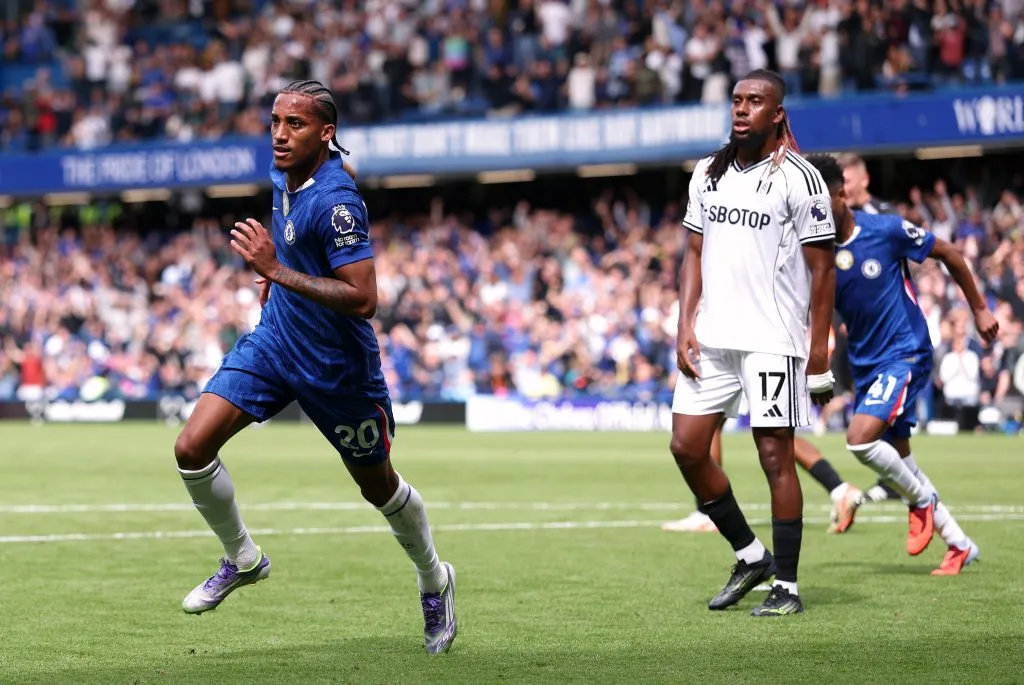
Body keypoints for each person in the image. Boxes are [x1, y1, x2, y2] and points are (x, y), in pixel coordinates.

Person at [172, 80, 457, 653]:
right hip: (276, 342)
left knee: (378, 487)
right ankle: (243, 558)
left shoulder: (337, 202)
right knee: (191, 447)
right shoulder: (285, 173)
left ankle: (434, 577)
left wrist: (277, 271)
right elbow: (297, 240)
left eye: (295, 124)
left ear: (326, 133)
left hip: (336, 367)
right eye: (275, 122)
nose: (279, 135)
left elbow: (364, 298)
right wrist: (277, 275)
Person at [671, 69, 837, 616]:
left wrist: (818, 349)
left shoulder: (800, 178)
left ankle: (787, 585)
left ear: (777, 113)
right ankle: (749, 554)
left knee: (774, 457)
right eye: (737, 100)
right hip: (713, 336)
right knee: (686, 447)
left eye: (755, 101)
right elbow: (693, 252)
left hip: (771, 337)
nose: (742, 109)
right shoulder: (707, 172)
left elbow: (823, 270)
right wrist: (685, 323)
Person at [805, 153, 997, 575]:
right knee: (901, 461)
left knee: (860, 440)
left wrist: (980, 308)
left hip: (905, 352)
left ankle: (920, 501)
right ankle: (960, 544)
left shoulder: (886, 230)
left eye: (819, 201)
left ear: (842, 194)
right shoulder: (817, 253)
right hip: (866, 365)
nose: (813, 212)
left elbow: (948, 252)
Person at [836, 152, 902, 504]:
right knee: (867, 400)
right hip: (855, 326)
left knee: (884, 409)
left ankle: (903, 485)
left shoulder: (884, 215)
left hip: (888, 327)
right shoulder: (838, 220)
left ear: (864, 180)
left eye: (847, 180)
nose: (843, 187)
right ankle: (895, 480)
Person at [661, 423, 862, 534]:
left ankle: (706, 513)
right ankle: (839, 488)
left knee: (712, 421)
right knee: (776, 431)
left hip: (743, 360)